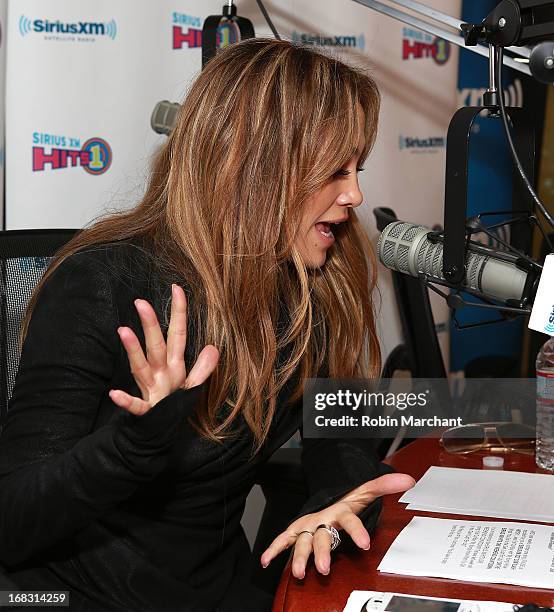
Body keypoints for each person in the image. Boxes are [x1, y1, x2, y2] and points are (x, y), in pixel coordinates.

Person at [0, 38, 414, 611]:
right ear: (255, 168)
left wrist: (336, 499)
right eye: (334, 171)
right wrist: (129, 449)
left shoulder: (315, 280)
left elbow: (335, 419)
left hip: (214, 590)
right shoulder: (103, 282)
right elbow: (13, 518)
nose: (355, 194)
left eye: (356, 169)